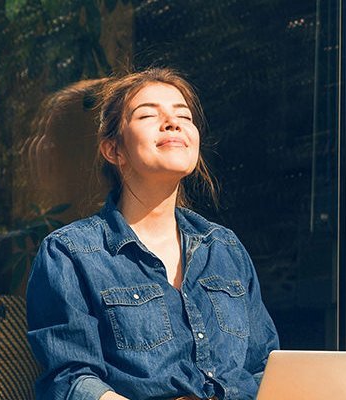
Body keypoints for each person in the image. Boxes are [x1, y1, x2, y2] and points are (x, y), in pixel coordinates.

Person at [26, 68, 280, 400]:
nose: (173, 123)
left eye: (183, 116)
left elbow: (264, 368)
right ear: (113, 150)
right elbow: (69, 380)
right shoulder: (70, 253)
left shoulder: (224, 247)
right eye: (148, 114)